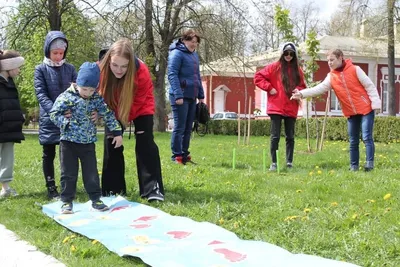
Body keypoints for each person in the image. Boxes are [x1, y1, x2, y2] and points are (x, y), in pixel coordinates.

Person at [49, 62, 123, 214]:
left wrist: (117, 132)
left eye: (91, 89)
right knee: (68, 173)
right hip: (68, 143)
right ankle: (66, 201)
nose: (88, 93)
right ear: (77, 83)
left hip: (88, 143)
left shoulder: (96, 98)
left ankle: (96, 199)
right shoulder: (66, 97)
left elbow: (108, 114)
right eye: (85, 89)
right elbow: (53, 113)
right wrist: (66, 123)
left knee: (91, 173)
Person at [291, 49, 381, 172]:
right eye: (328, 60)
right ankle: (353, 166)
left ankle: (369, 164)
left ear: (340, 58)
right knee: (353, 140)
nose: (329, 63)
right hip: (351, 112)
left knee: (366, 137)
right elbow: (319, 88)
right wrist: (301, 94)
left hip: (366, 108)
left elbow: (370, 86)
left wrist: (376, 105)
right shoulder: (331, 77)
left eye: (332, 60)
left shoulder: (355, 69)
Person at [98, 38, 164, 202]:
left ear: (130, 64)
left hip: (140, 106)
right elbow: (97, 96)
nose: (119, 70)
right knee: (112, 141)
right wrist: (115, 126)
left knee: (145, 141)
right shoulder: (99, 70)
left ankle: (152, 189)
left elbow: (138, 102)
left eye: (124, 66)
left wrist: (124, 120)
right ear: (108, 61)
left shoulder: (141, 72)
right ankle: (113, 189)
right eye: (115, 65)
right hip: (112, 107)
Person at [34, 31, 77, 199]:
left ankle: (67, 185)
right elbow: (41, 93)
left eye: (61, 53)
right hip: (49, 118)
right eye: (55, 53)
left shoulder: (70, 69)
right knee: (48, 153)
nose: (58, 56)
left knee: (67, 153)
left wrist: (69, 109)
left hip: (67, 117)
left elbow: (76, 90)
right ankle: (51, 186)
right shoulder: (40, 69)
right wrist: (55, 111)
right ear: (48, 51)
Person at [254, 42, 306, 171]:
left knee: (290, 136)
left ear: (294, 55)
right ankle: (274, 163)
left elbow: (303, 86)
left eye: (291, 54)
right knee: (275, 136)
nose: (288, 56)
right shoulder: (274, 67)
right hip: (276, 106)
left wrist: (298, 90)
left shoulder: (297, 70)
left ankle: (289, 162)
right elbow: (258, 77)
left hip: (291, 106)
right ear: (282, 54)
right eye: (286, 53)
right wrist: (269, 88)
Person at [168, 29, 205, 165]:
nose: (193, 44)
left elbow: (197, 77)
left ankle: (184, 154)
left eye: (195, 42)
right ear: (184, 40)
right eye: (191, 41)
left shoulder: (194, 56)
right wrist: (178, 94)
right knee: (180, 127)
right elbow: (172, 74)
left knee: (189, 127)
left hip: (192, 96)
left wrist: (201, 95)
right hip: (179, 96)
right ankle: (176, 156)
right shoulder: (176, 54)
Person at [0, 50, 25, 198]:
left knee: (7, 158)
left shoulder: (10, 83)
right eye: (18, 67)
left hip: (9, 128)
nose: (19, 70)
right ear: (8, 66)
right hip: (2, 126)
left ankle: (5, 188)